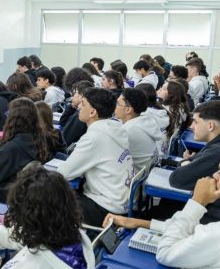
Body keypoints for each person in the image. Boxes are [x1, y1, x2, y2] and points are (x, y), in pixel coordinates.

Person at [159, 100, 220, 222]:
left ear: (210, 125)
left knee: (161, 209)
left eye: (195, 121)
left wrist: (187, 163)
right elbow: (193, 160)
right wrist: (189, 162)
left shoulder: (217, 153)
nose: (191, 126)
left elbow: (176, 179)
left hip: (210, 219)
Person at [57, 88, 134, 226]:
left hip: (104, 209)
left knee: (48, 196)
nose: (79, 107)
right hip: (122, 203)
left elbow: (63, 174)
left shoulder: (94, 137)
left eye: (83, 104)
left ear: (93, 112)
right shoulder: (116, 128)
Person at [0, 98, 51, 206]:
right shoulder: (37, 139)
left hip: (2, 194)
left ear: (14, 118)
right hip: (20, 192)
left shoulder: (14, 147)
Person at [116, 88, 164, 174]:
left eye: (118, 104)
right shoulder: (144, 121)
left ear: (128, 110)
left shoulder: (129, 130)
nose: (115, 106)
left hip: (136, 180)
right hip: (147, 174)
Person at [158, 79, 191, 152]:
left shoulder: (164, 111)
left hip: (161, 146)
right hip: (168, 144)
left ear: (171, 94)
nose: (159, 90)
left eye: (164, 89)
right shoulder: (181, 107)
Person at [59, 81, 93, 147]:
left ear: (81, 96)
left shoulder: (80, 115)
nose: (72, 97)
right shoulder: (77, 110)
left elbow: (65, 139)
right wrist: (71, 107)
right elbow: (63, 122)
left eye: (74, 94)